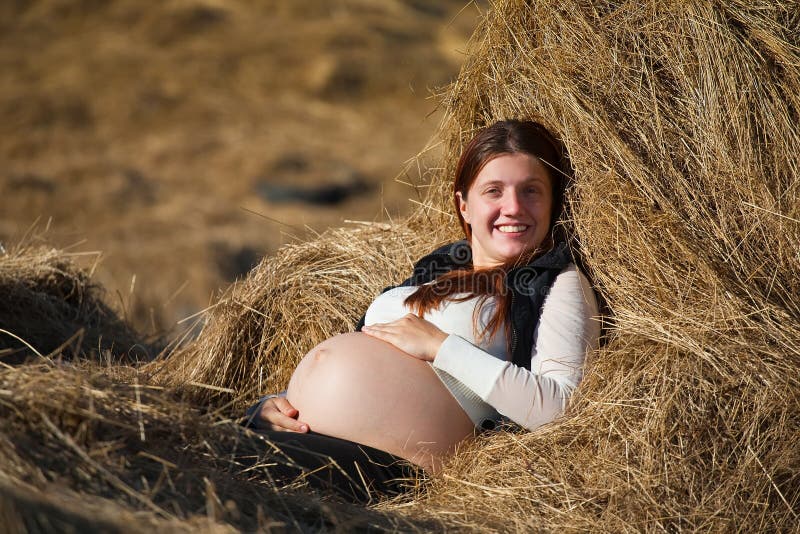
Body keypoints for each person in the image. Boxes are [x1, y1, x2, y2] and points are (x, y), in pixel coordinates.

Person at [242, 120, 601, 503]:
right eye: (493, 191)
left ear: (552, 202)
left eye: (531, 191)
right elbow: (374, 360)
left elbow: (560, 408)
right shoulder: (437, 268)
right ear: (465, 204)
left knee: (230, 465)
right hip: (306, 435)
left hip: (384, 465)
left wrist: (441, 347)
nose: (513, 208)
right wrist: (274, 404)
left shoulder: (556, 281)